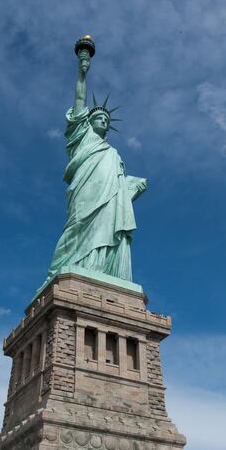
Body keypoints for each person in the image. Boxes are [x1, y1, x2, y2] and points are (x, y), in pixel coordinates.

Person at [45, 38, 147, 284]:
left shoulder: (112, 153)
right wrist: (82, 69)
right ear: (88, 121)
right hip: (85, 190)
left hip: (108, 195)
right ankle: (63, 270)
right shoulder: (81, 136)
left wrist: (131, 187)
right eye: (99, 117)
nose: (103, 120)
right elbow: (80, 100)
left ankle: (102, 271)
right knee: (77, 227)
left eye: (106, 119)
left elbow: (120, 185)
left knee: (107, 225)